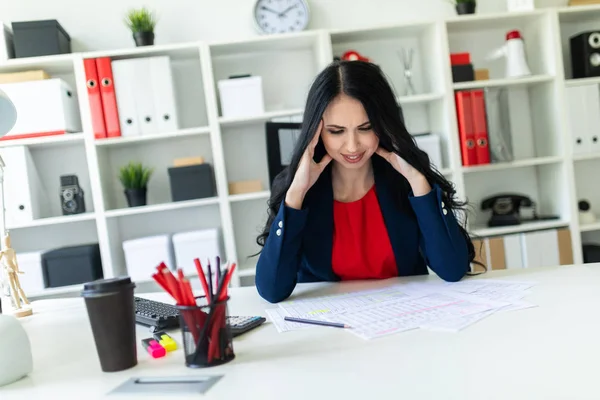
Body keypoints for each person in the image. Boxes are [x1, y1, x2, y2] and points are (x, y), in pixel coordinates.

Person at [254, 60, 475, 303]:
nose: (352, 146)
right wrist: (296, 194)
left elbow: (453, 269)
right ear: (315, 132)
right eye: (336, 131)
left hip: (405, 316)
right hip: (328, 323)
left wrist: (418, 182)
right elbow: (272, 290)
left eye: (366, 128)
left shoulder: (405, 177)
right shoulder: (297, 188)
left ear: (383, 124)